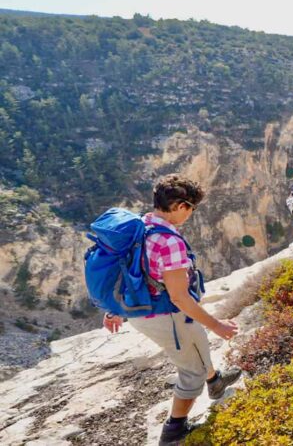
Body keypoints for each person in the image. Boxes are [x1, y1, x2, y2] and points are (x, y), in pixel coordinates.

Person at [102, 175, 241, 446]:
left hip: (140, 310)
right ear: (179, 206)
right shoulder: (169, 242)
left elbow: (129, 273)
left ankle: (215, 381)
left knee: (196, 342)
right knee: (192, 370)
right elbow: (179, 297)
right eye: (191, 208)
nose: (191, 214)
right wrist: (217, 325)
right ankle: (174, 430)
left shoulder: (140, 226)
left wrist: (114, 309)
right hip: (166, 315)